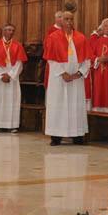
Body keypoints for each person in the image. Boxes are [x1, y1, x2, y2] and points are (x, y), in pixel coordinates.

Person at [43, 11, 91, 146]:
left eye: (71, 19)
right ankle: (56, 136)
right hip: (59, 79)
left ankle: (77, 135)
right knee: (58, 106)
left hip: (76, 79)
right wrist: (63, 73)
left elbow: (87, 60)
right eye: (66, 19)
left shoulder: (81, 38)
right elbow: (51, 60)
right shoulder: (53, 37)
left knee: (76, 106)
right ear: (61, 21)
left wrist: (79, 73)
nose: (69, 21)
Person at [0, 23, 27, 133]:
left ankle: (12, 125)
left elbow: (19, 63)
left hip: (12, 77)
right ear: (4, 31)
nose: (10, 32)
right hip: (0, 76)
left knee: (12, 100)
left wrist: (10, 75)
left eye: (12, 30)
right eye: (8, 30)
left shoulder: (18, 45)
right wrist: (1, 75)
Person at [91, 19, 108, 113]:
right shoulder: (98, 41)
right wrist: (98, 59)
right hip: (98, 72)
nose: (107, 28)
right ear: (102, 28)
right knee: (98, 91)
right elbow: (91, 55)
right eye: (105, 26)